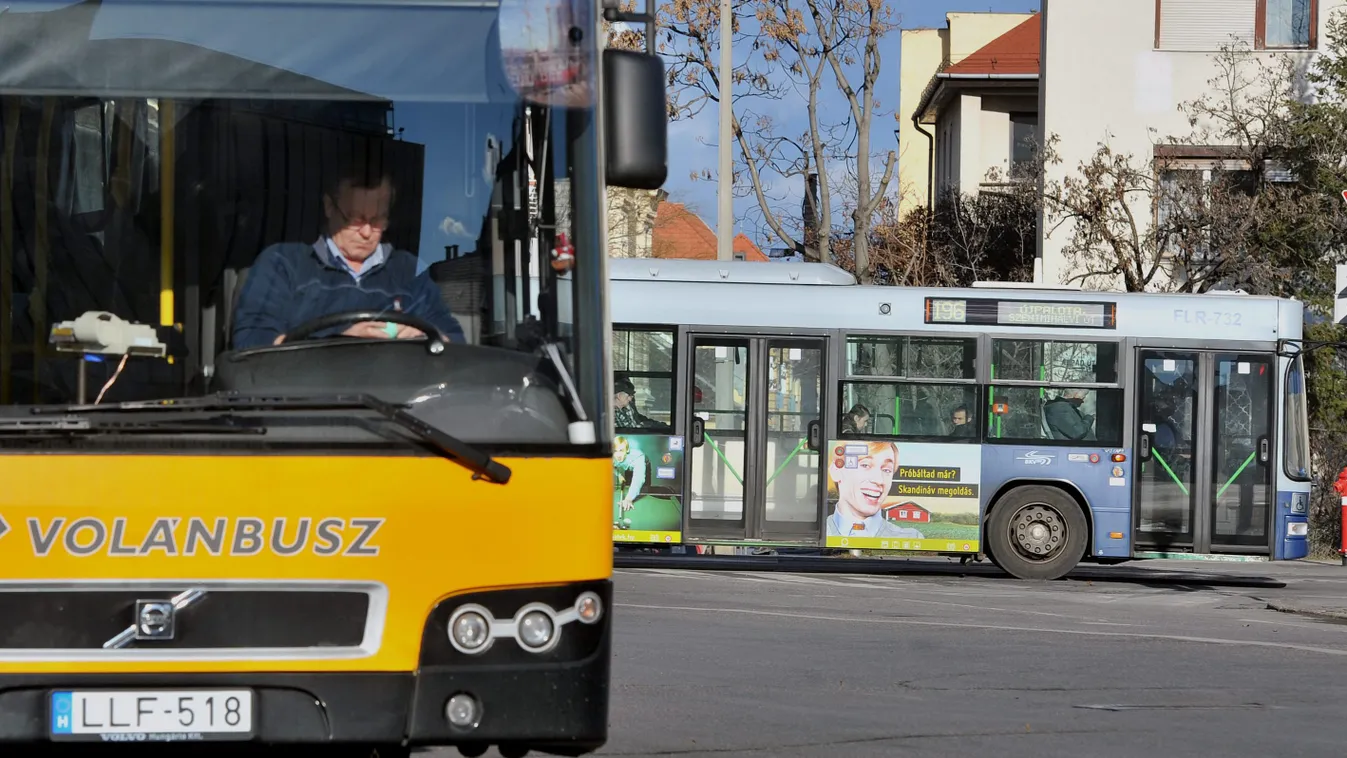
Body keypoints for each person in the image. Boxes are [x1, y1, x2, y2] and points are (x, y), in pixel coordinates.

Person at [231, 160, 466, 350]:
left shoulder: (409, 272)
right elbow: (250, 345)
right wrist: (340, 344)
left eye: (377, 220)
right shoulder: (283, 264)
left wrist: (426, 337)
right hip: (307, 403)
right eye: (356, 219)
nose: (366, 232)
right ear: (329, 207)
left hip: (398, 401)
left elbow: (456, 344)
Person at [825, 440, 925, 540]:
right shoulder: (816, 533)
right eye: (865, 465)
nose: (879, 480)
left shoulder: (912, 538)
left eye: (887, 470)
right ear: (836, 471)